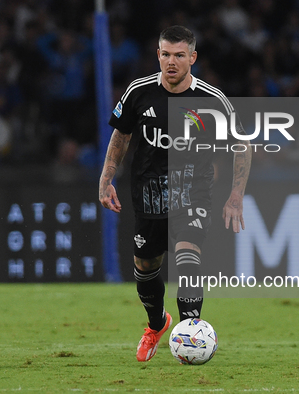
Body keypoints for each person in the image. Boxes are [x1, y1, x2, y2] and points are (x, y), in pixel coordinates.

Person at [99, 25, 251, 362]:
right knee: (145, 266)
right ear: (158, 55)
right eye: (166, 54)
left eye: (179, 55)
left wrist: (235, 195)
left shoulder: (211, 100)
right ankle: (157, 324)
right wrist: (107, 177)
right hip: (148, 195)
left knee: (187, 257)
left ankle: (190, 332)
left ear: (192, 58)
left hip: (193, 193)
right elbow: (121, 136)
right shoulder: (139, 92)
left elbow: (243, 145)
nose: (171, 61)